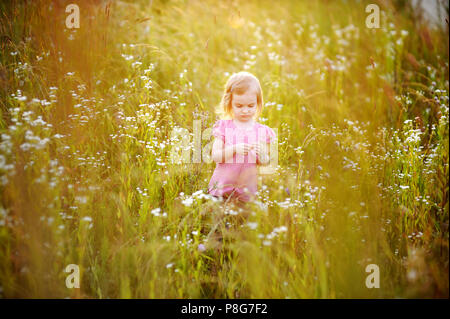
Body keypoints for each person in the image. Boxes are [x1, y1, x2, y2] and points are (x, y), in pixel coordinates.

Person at [208, 71, 276, 204]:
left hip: (246, 193)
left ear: (258, 103)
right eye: (239, 106)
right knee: (218, 221)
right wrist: (234, 149)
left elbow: (265, 162)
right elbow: (216, 156)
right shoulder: (224, 127)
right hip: (221, 190)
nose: (245, 110)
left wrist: (262, 154)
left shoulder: (262, 131)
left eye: (251, 106)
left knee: (244, 222)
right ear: (229, 103)